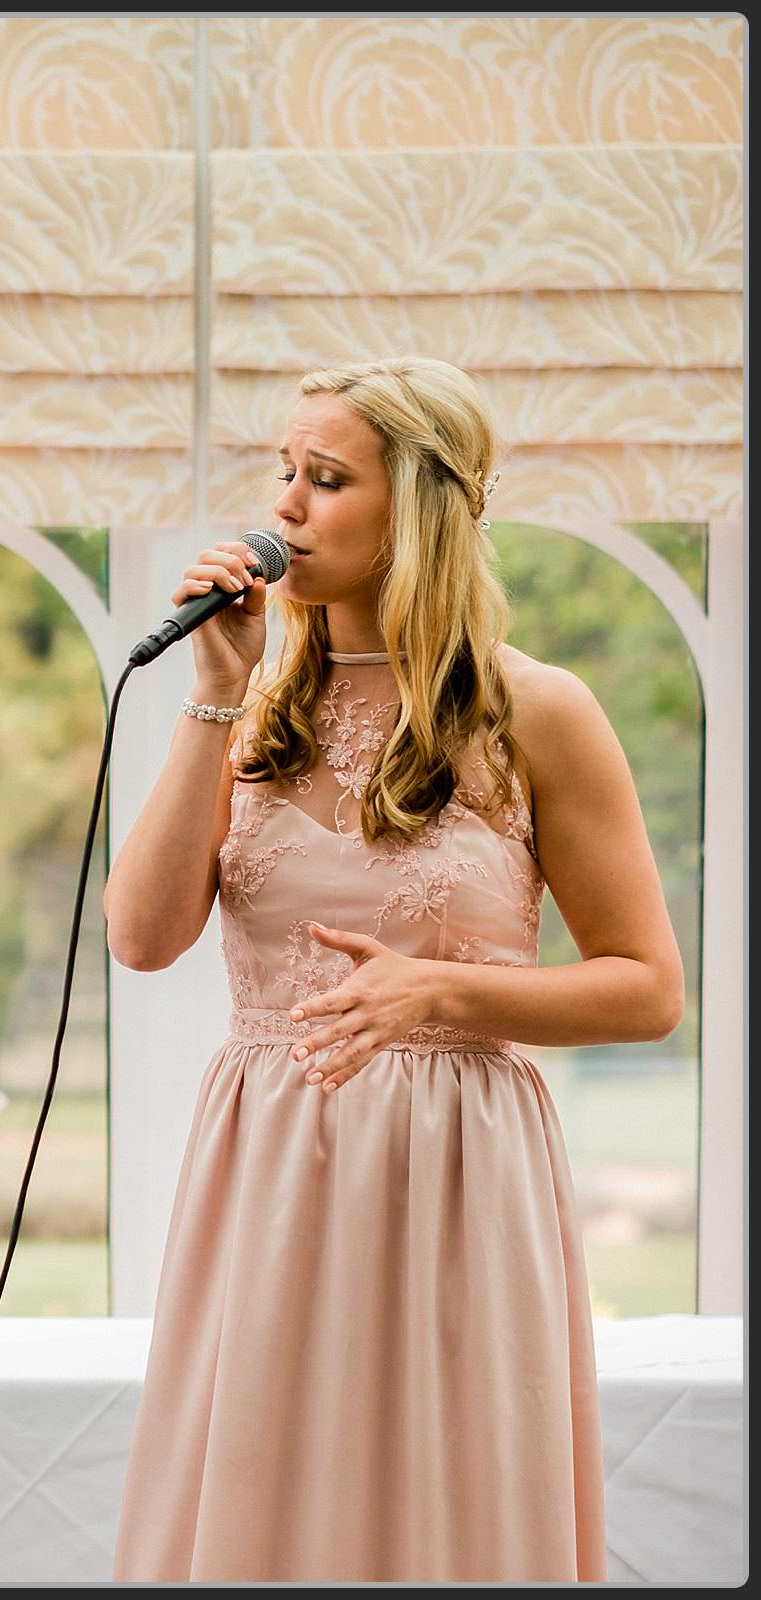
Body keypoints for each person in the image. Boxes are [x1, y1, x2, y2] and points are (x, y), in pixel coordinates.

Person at [103, 357, 683, 1582]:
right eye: (284, 473)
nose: (287, 509)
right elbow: (142, 936)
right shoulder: (255, 708)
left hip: (458, 1178)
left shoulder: (539, 710)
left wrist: (442, 990)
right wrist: (215, 692)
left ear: (415, 509)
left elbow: (645, 985)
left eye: (326, 479)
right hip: (265, 1174)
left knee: (448, 1517)